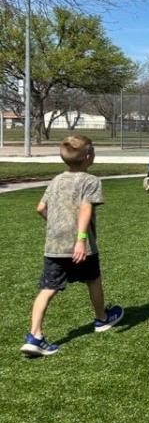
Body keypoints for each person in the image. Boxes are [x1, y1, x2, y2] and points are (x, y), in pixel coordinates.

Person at [20, 136, 123, 357]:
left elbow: (40, 208)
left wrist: (56, 225)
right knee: (93, 279)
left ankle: (34, 336)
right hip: (81, 245)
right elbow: (86, 208)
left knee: (47, 288)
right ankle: (101, 319)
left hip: (54, 246)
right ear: (89, 157)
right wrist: (81, 239)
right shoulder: (91, 181)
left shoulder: (56, 180)